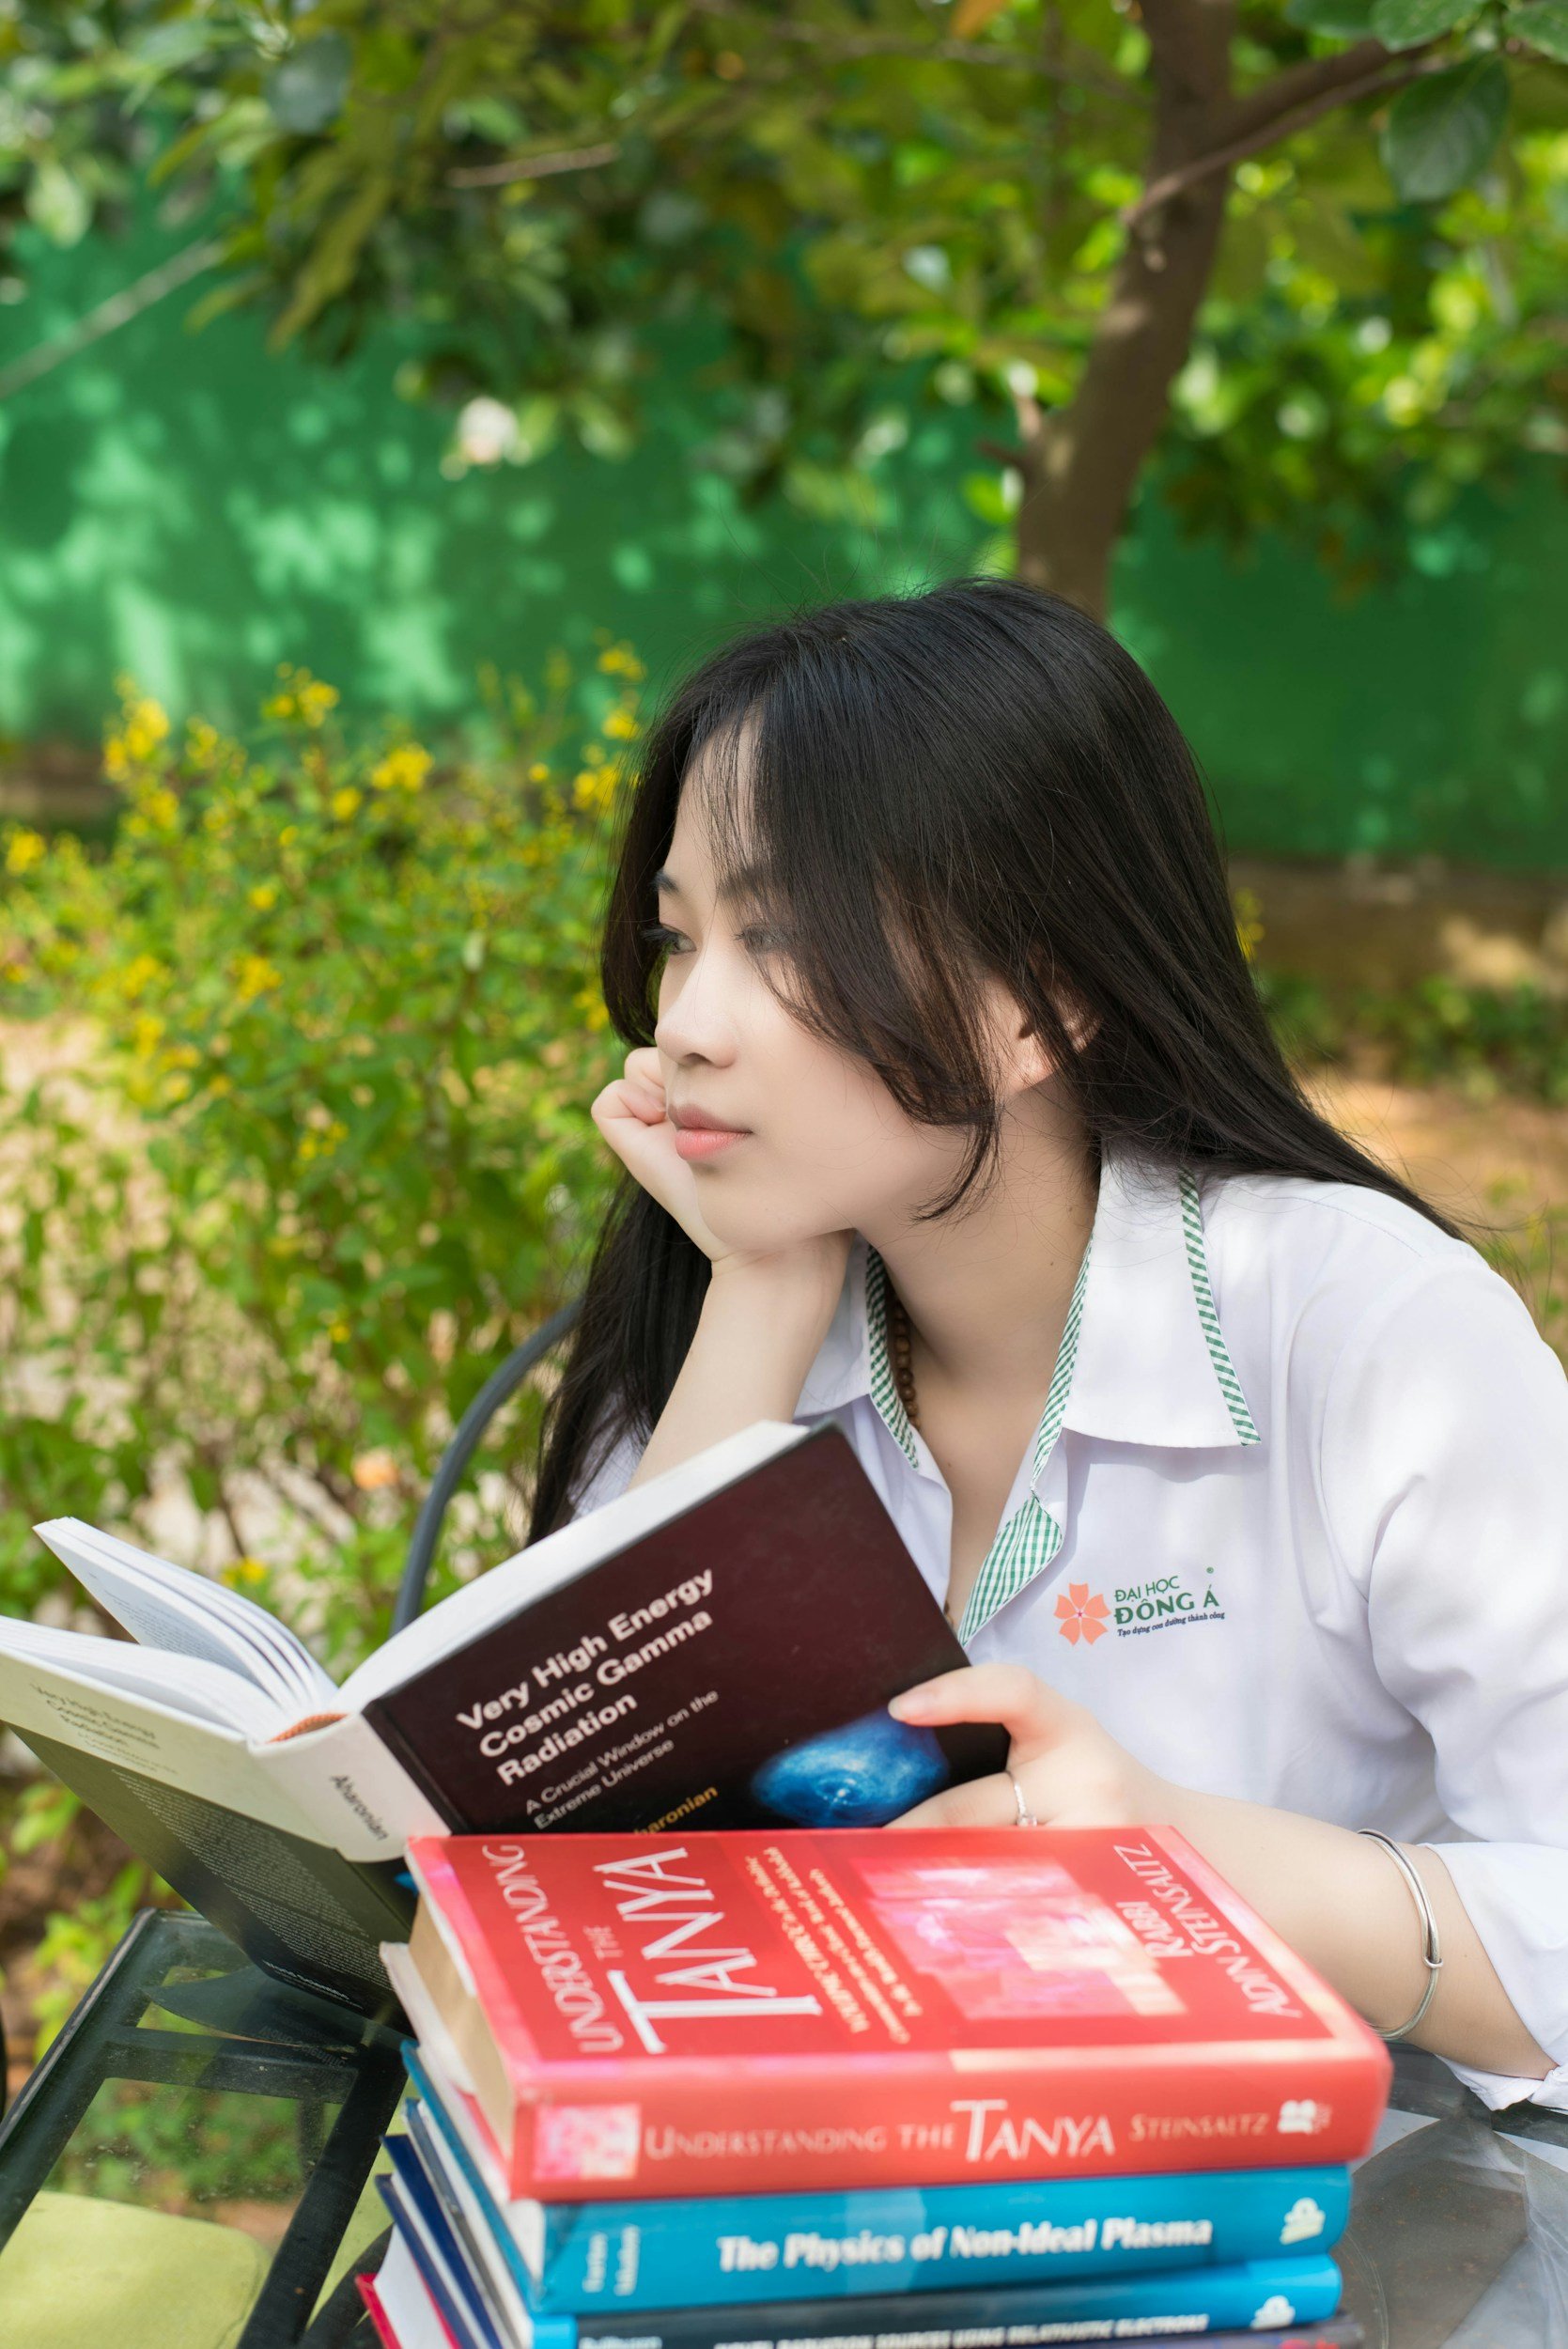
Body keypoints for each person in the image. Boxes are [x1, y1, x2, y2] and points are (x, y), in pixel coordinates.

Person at [526, 575, 1568, 2113]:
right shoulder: (727, 1318)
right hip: (806, 2223)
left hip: (1315, 2248)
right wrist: (754, 1299)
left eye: (781, 939)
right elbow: (575, 1891)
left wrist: (1159, 1854)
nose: (687, 1020)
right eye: (679, 940)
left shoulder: (1366, 1332)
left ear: (1044, 998)